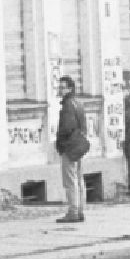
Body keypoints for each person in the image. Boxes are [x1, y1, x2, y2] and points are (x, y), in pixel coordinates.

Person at [54, 75, 89, 225]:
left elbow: (66, 128)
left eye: (62, 87)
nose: (60, 90)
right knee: (79, 179)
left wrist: (61, 143)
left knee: (70, 181)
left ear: (70, 88)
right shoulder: (78, 103)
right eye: (59, 87)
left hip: (70, 146)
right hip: (79, 145)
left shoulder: (68, 105)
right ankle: (80, 210)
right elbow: (83, 126)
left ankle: (73, 211)